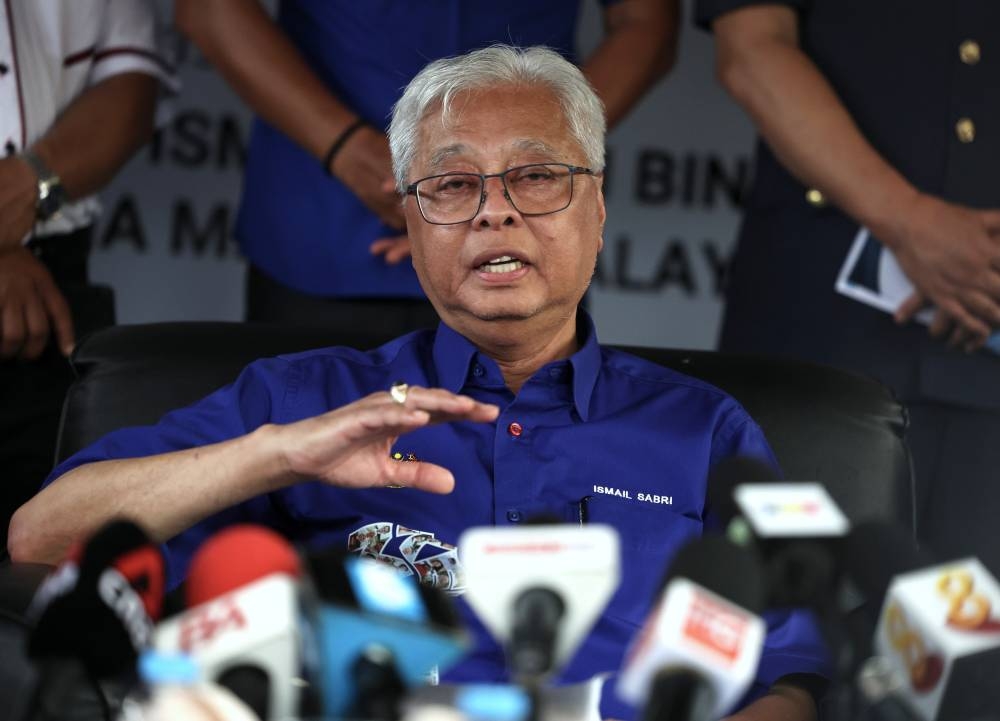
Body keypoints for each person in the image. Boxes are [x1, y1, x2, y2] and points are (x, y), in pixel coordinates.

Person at [10, 46, 826, 720]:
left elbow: (788, 674)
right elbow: (39, 538)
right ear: (410, 219)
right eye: (453, 184)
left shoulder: (704, 430)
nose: (495, 212)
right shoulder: (305, 403)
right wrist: (278, 455)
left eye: (536, 175)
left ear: (599, 208)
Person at [694, 0, 1000, 573]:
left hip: (988, 350)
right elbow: (751, 47)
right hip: (822, 326)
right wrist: (909, 219)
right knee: (786, 604)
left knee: (979, 624)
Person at [174, 0, 678, 337]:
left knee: (519, 454)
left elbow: (645, 22)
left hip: (523, 221)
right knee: (307, 456)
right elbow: (210, 8)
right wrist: (349, 152)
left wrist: (527, 160)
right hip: (326, 202)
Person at [0, 0, 174, 551]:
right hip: (23, 265)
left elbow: (130, 82)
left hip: (49, 270)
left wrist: (26, 188)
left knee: (43, 552)